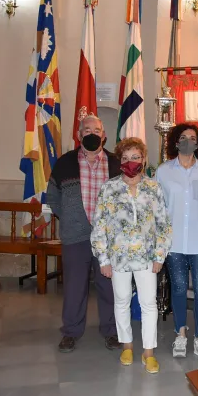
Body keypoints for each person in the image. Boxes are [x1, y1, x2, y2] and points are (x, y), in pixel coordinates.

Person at [91, 137, 172, 372]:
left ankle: (149, 351)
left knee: (148, 304)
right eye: (125, 158)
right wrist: (103, 259)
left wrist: (159, 256)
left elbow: (164, 224)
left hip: (147, 258)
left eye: (135, 157)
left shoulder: (153, 188)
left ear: (143, 160)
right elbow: (99, 226)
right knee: (122, 301)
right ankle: (127, 345)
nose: (130, 162)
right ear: (119, 161)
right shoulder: (109, 188)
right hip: (118, 258)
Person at [46, 115, 120, 353]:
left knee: (109, 286)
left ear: (104, 134)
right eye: (86, 130)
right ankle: (71, 332)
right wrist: (69, 217)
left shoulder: (116, 163)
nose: (92, 133)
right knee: (74, 287)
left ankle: (111, 331)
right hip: (75, 236)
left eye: (96, 130)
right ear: (78, 135)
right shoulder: (64, 163)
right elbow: (53, 197)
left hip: (107, 238)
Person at [155, 124, 198, 361]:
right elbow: (158, 210)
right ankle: (181, 334)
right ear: (175, 142)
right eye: (183, 138)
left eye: (192, 138)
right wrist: (160, 242)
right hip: (174, 244)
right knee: (180, 289)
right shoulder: (163, 172)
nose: (187, 141)